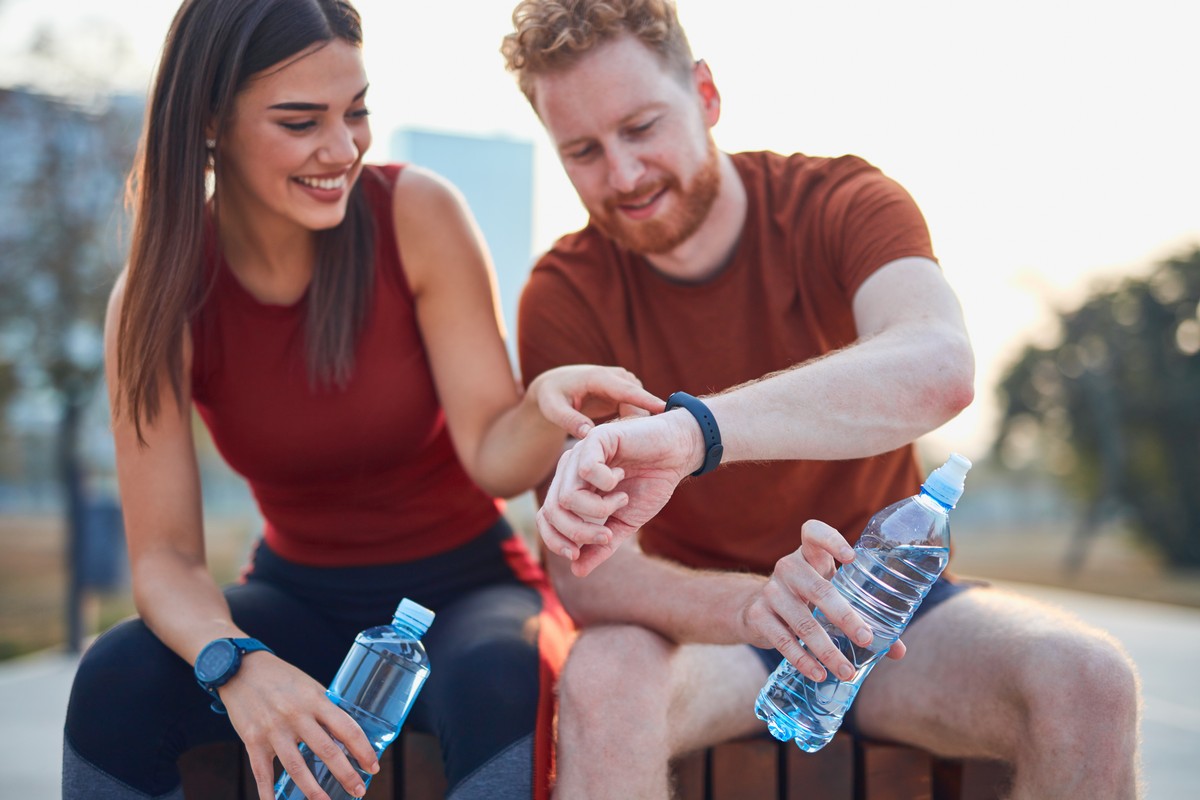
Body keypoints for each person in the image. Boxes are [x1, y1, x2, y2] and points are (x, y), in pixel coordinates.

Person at [501, 1, 1143, 797]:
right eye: (584, 151)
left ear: (705, 95)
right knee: (601, 680)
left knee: (1090, 681)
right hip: (708, 627)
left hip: (891, 614)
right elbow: (591, 575)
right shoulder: (564, 291)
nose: (623, 174)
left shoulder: (842, 200)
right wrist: (751, 606)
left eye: (641, 127)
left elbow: (940, 364)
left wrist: (695, 431)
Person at [61, 2, 664, 799]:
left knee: (498, 676)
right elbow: (165, 560)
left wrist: (541, 407)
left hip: (471, 593)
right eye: (301, 120)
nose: (341, 148)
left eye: (357, 112)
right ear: (210, 122)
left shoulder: (417, 213)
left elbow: (489, 448)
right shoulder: (156, 298)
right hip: (296, 595)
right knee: (116, 676)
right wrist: (236, 663)